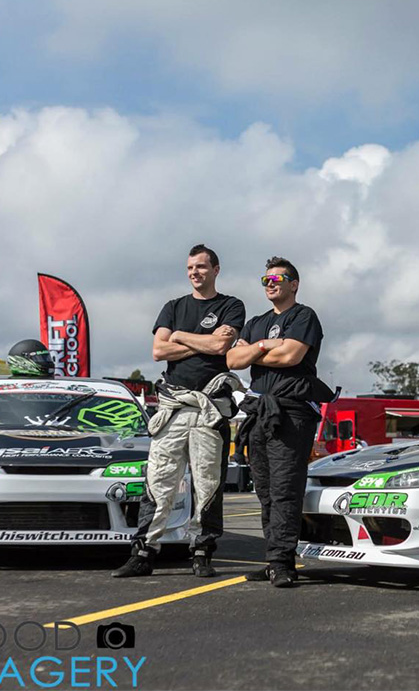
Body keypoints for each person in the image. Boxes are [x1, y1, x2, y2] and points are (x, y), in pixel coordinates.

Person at [112, 244, 245, 579]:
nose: (194, 273)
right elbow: (159, 350)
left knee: (208, 485)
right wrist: (202, 340)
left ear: (216, 269)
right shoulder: (172, 307)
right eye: (190, 268)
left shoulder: (231, 306)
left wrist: (181, 337)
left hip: (209, 409)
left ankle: (202, 553)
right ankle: (144, 553)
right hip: (172, 408)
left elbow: (221, 345)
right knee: (158, 481)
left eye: (201, 267)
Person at [227, 256, 334, 588]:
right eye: (266, 280)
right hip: (259, 411)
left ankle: (283, 563)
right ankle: (273, 558)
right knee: (265, 491)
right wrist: (265, 344)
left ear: (294, 284)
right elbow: (233, 359)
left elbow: (291, 356)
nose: (270, 284)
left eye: (277, 279)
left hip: (292, 413)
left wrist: (256, 352)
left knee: (286, 489)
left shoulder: (304, 316)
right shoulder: (256, 323)